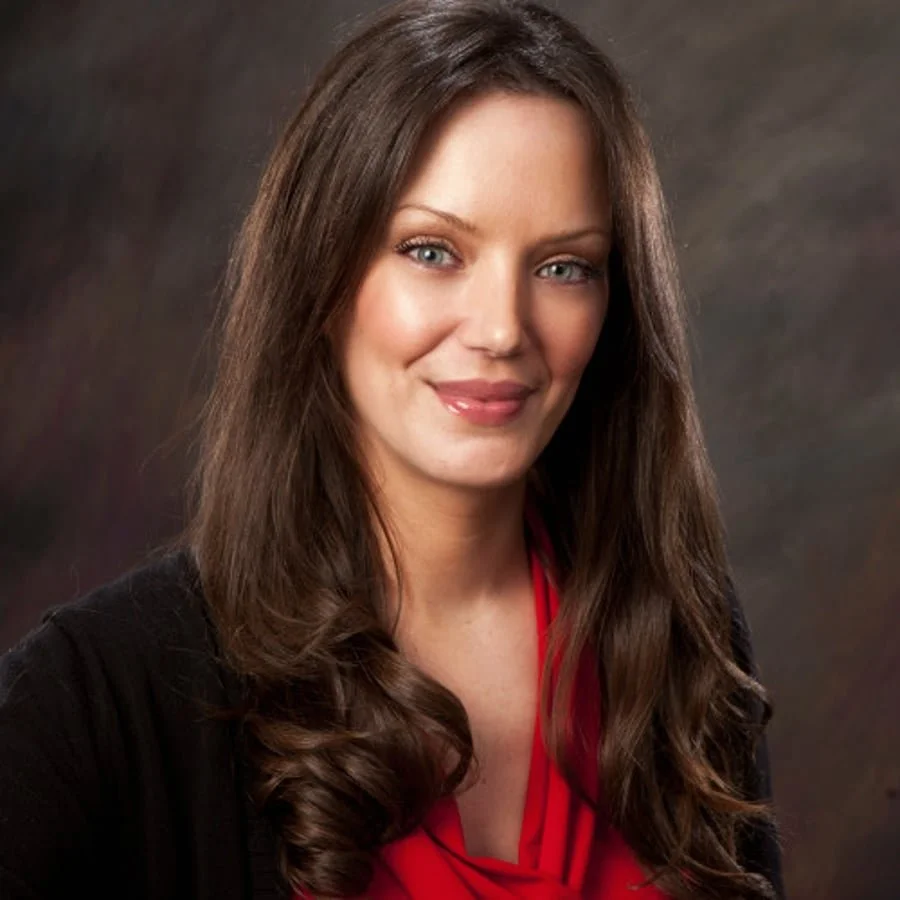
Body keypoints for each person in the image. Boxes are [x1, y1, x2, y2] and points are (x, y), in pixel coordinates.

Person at [0, 0, 784, 897]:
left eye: (563, 266)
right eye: (432, 251)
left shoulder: (681, 633)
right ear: (323, 277)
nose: (500, 329)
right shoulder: (101, 690)